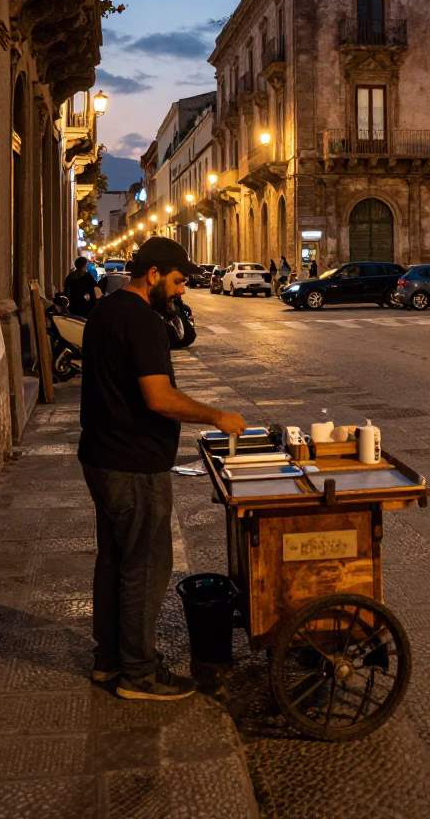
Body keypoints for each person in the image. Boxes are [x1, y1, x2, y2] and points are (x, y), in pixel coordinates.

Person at [79, 237, 246, 701]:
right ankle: (139, 674)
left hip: (101, 456)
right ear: (153, 275)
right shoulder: (144, 322)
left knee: (114, 562)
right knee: (147, 565)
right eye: (177, 281)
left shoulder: (106, 311)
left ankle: (108, 661)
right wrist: (216, 416)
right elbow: (158, 397)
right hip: (133, 464)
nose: (182, 291)